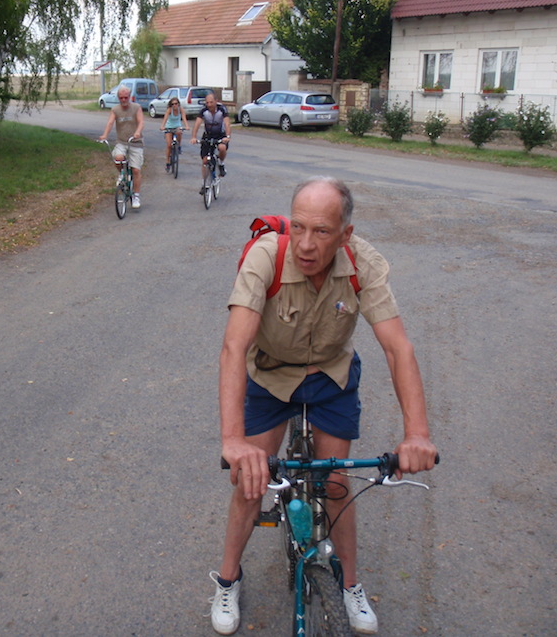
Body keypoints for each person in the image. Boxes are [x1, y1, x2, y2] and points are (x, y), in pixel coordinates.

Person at [209, 177, 438, 636]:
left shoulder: (362, 263)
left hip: (331, 376)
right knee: (250, 482)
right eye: (298, 227)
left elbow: (398, 348)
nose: (306, 244)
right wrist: (233, 441)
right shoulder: (266, 258)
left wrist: (417, 434)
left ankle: (349, 584)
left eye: (322, 231)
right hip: (271, 376)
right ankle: (228, 579)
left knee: (335, 483)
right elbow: (235, 347)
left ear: (345, 234)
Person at [99, 86, 144, 209]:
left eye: (126, 97)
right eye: (121, 98)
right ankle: (122, 175)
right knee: (118, 158)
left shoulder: (136, 107)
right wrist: (105, 135)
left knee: (136, 170)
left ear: (129, 97)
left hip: (136, 142)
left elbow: (141, 121)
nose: (124, 100)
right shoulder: (115, 109)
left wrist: (138, 132)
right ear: (118, 98)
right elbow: (110, 123)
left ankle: (136, 195)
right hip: (122, 142)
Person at [191, 93, 231, 191]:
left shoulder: (222, 109)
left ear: (216, 101)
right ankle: (204, 183)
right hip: (208, 135)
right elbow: (197, 123)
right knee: (205, 161)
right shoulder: (204, 111)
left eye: (211, 102)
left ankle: (221, 163)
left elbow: (227, 123)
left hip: (220, 135)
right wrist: (194, 137)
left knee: (222, 148)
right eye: (207, 102)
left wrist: (228, 136)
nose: (209, 104)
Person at [160, 96, 189, 172]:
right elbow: (165, 119)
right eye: (172, 104)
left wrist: (186, 126)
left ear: (178, 104)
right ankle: (167, 162)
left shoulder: (180, 109)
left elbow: (184, 118)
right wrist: (162, 126)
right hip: (169, 127)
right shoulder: (169, 110)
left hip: (177, 126)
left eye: (176, 104)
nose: (174, 105)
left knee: (179, 132)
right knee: (169, 145)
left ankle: (179, 146)